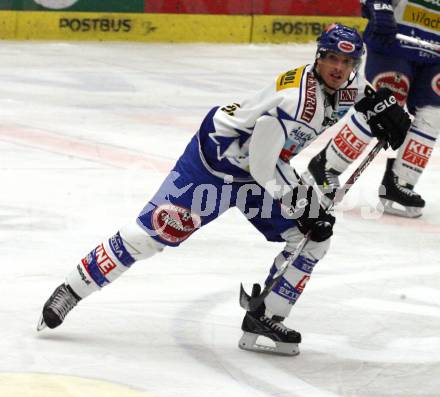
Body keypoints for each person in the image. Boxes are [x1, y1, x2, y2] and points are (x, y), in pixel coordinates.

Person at [37, 24, 410, 356]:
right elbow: (264, 168)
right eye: (330, 59)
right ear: (318, 57)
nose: (338, 68)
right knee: (153, 234)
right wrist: (303, 203)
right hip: (214, 164)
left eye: (346, 63)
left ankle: (265, 317)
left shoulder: (346, 84)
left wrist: (384, 106)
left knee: (312, 237)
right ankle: (72, 289)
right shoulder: (294, 102)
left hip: (261, 169)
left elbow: (363, 94)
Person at [305, 0, 440, 218]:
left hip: (436, 53)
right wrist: (378, 5)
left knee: (434, 113)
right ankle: (327, 165)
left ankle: (401, 181)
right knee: (381, 106)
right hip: (394, 41)